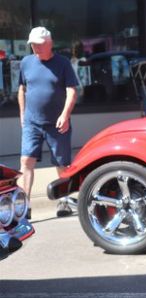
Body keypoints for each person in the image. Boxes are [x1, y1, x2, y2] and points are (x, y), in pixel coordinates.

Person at [18, 27, 79, 217]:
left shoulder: (62, 63)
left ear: (49, 43)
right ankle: (24, 207)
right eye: (33, 45)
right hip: (32, 122)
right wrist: (22, 114)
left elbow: (72, 91)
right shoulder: (26, 62)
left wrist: (65, 115)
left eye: (38, 44)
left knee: (62, 163)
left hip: (57, 123)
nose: (35, 48)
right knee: (26, 161)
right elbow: (21, 89)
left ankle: (64, 201)